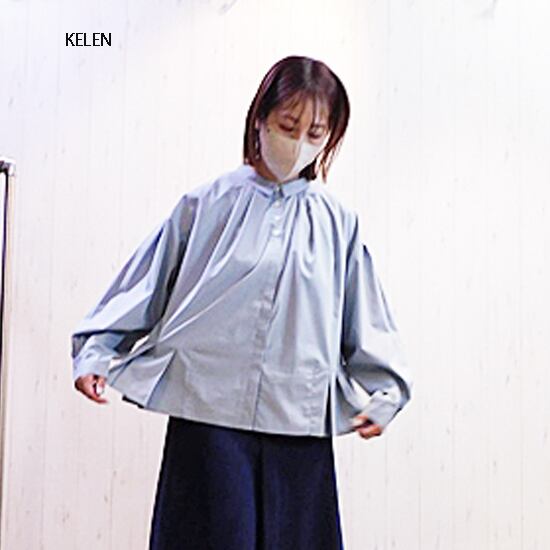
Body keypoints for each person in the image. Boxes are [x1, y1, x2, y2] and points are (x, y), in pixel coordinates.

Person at [71, 55, 413, 550]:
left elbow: (368, 320)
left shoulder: (338, 225)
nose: (299, 143)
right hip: (207, 416)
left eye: (315, 133)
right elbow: (144, 284)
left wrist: (385, 395)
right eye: (288, 126)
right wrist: (96, 353)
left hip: (298, 422)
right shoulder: (207, 204)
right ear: (260, 119)